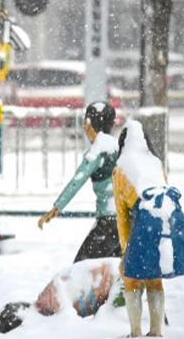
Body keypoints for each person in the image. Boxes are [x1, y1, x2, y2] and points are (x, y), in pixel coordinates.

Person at [113, 119, 184, 337]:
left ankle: (135, 331)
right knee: (154, 277)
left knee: (131, 278)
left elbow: (121, 217)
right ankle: (156, 330)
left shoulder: (120, 169)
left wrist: (125, 252)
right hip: (168, 219)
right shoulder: (156, 163)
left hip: (144, 220)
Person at [37, 101, 122, 261]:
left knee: (82, 267)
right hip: (125, 220)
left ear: (91, 124)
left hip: (108, 222)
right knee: (115, 271)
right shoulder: (118, 147)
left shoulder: (97, 151)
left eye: (85, 122)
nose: (84, 127)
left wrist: (56, 208)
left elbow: (76, 181)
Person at [0, 257, 121, 333]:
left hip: (119, 280)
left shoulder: (48, 303)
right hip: (115, 277)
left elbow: (68, 324)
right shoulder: (46, 304)